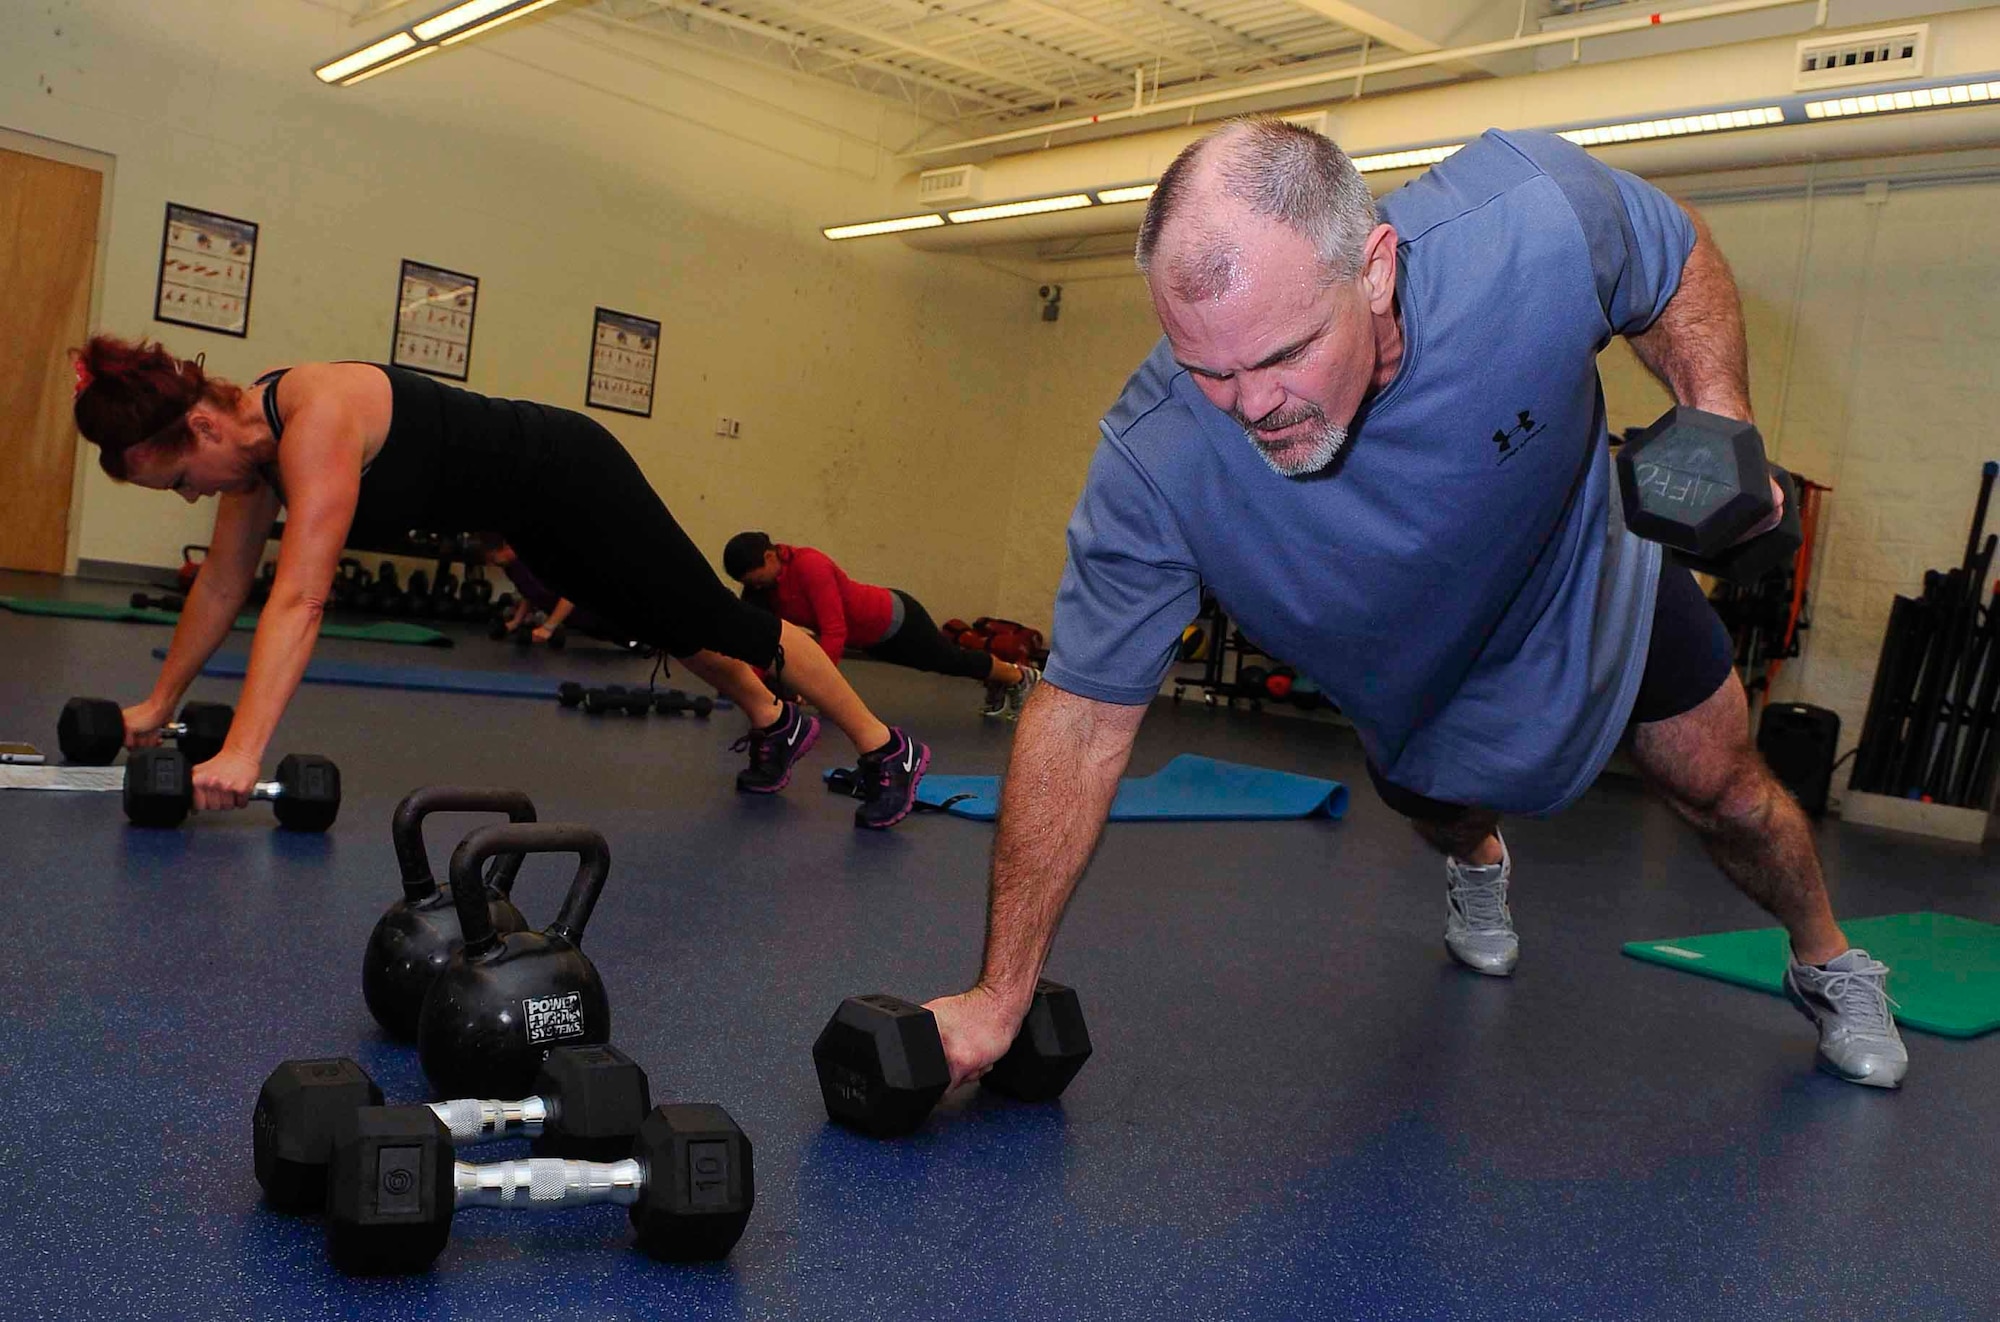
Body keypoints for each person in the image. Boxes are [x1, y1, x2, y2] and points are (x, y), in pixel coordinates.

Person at [922, 119, 1907, 1091]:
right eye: (1204, 369)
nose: (1248, 404)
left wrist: (1715, 408)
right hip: (1409, 669)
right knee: (1443, 814)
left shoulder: (1524, 223)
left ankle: (1825, 958)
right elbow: (1083, 717)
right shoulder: (1157, 463)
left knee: (1727, 789)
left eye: (1281, 354)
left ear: (1374, 269)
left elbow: (1669, 255)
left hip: (1585, 572)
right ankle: (1478, 862)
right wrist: (998, 992)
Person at [68, 339, 930, 828]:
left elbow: (300, 596)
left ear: (203, 424)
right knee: (654, 620)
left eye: (180, 481)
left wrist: (246, 749)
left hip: (570, 471)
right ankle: (772, 720)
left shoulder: (311, 419)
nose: (190, 497)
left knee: (714, 615)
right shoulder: (248, 458)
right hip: (530, 517)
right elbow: (222, 588)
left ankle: (885, 745)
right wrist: (156, 706)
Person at [722, 532, 1042, 719]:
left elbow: (834, 631)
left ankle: (1018, 675)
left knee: (948, 661)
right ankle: (1001, 678)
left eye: (756, 578)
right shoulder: (762, 589)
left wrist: (817, 686)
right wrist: (746, 684)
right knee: (947, 662)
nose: (755, 586)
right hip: (872, 639)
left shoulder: (810, 565)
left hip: (897, 619)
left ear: (769, 557)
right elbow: (762, 638)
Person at [483, 538, 610, 646]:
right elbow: (530, 593)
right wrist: (516, 622)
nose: (491, 564)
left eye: (493, 558)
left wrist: (548, 628)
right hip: (587, 626)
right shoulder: (510, 567)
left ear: (507, 546)